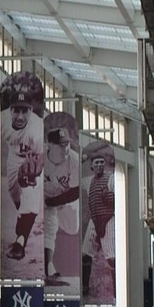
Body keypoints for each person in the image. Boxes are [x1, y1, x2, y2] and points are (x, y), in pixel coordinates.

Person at [2, 87, 44, 261]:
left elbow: (41, 156)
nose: (20, 116)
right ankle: (23, 222)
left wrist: (37, 168)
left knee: (31, 200)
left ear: (31, 110)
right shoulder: (3, 122)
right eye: (16, 110)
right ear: (10, 110)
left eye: (24, 111)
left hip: (32, 158)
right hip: (13, 158)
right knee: (16, 197)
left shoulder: (37, 128)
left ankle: (20, 243)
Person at [42, 127, 80, 285]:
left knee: (73, 228)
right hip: (44, 195)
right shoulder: (39, 155)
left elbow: (75, 192)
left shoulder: (74, 160)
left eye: (67, 144)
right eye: (61, 145)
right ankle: (47, 268)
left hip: (66, 199)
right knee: (50, 226)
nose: (65, 148)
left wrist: (53, 203)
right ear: (49, 145)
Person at [82, 154, 115, 297]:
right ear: (92, 166)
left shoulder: (111, 178)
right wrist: (82, 158)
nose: (100, 165)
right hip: (94, 220)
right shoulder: (88, 181)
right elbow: (73, 176)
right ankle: (85, 288)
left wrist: (109, 197)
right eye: (97, 162)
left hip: (108, 219)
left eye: (102, 162)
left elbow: (115, 199)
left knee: (111, 258)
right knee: (85, 255)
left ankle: (116, 291)